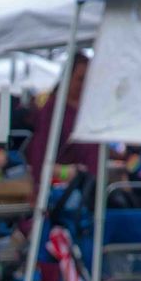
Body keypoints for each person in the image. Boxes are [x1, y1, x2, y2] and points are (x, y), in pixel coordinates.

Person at [25, 53, 96, 187]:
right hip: (64, 190)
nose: (84, 84)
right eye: (80, 79)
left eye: (88, 79)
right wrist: (66, 172)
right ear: (67, 78)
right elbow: (39, 157)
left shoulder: (91, 109)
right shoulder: (52, 110)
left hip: (92, 187)